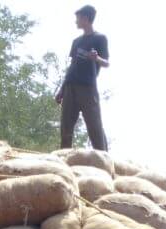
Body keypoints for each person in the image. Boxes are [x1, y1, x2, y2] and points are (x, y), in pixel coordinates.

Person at [55, 5, 110, 151]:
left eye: (78, 18)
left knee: (94, 126)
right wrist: (62, 89)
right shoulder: (76, 41)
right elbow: (72, 65)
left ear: (86, 18)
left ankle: (104, 158)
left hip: (87, 88)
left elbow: (106, 63)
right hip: (70, 86)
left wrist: (96, 58)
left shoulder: (100, 38)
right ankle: (64, 157)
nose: (76, 22)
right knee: (66, 126)